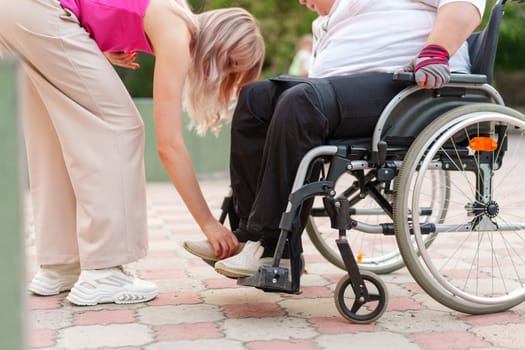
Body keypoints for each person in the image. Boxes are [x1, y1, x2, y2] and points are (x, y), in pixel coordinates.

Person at [183, 0, 486, 278]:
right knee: (254, 99)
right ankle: (248, 236)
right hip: (342, 93)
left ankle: (272, 246)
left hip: (409, 88)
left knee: (302, 102)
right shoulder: (332, 20)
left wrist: (437, 49)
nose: (302, 2)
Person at [0, 0, 264, 305]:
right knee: (120, 127)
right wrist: (208, 223)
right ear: (220, 42)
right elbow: (169, 146)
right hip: (43, 12)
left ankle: (60, 264)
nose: (225, 75)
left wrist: (101, 40)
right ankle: (104, 271)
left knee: (54, 134)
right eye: (230, 64)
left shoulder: (172, 13)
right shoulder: (179, 34)